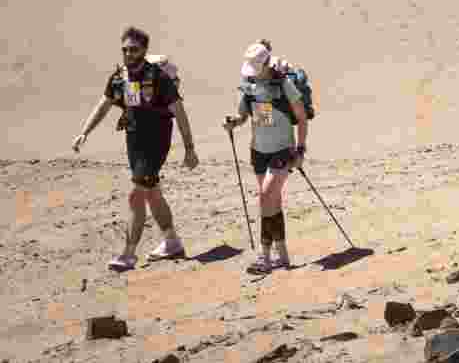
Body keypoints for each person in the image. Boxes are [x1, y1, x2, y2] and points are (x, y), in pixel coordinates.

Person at [72, 26, 199, 271]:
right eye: (125, 49)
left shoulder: (158, 78)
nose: (129, 54)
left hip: (157, 142)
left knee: (136, 195)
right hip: (134, 142)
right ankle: (172, 242)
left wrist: (189, 148)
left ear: (144, 50)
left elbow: (180, 113)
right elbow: (104, 104)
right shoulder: (120, 77)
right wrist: (85, 132)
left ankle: (128, 255)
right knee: (152, 193)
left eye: (134, 49)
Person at [225, 41, 309, 274]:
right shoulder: (249, 85)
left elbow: (302, 118)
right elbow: (243, 116)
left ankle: (264, 257)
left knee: (264, 198)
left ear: (265, 65)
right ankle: (282, 256)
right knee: (272, 202)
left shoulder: (284, 84)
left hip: (282, 149)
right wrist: (233, 122)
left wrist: (300, 150)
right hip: (258, 151)